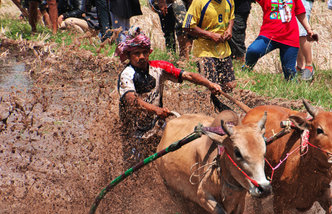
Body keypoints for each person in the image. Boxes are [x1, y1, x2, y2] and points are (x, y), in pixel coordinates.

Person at [115, 31, 222, 167]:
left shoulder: (159, 67)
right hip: (133, 132)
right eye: (137, 53)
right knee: (134, 167)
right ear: (129, 55)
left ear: (149, 52)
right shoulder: (127, 74)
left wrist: (209, 84)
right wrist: (156, 110)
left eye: (145, 52)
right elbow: (131, 101)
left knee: (163, 162)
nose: (141, 57)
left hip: (156, 127)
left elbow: (188, 75)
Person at [182, 0, 236, 111]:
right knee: (211, 86)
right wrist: (210, 34)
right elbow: (187, 26)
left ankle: (221, 109)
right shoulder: (199, 2)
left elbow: (232, 16)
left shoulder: (229, 1)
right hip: (204, 50)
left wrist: (229, 29)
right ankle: (205, 110)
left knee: (229, 86)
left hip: (223, 50)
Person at [244, 0, 316, 81]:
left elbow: (300, 12)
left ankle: (293, 90)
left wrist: (308, 29)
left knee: (289, 73)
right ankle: (246, 70)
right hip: (268, 35)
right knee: (253, 50)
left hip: (290, 38)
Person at [296, 0, 314, 81]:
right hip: (290, 2)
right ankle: (300, 66)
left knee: (301, 33)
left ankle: (309, 66)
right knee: (295, 34)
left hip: (303, 2)